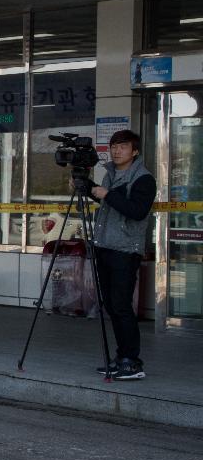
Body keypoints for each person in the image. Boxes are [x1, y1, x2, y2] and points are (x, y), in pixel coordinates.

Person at [87, 129, 157, 381]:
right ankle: (121, 357)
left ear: (135, 151)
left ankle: (132, 361)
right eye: (114, 146)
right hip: (104, 246)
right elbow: (108, 204)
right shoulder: (111, 174)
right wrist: (89, 188)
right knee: (111, 306)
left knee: (121, 305)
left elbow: (137, 211)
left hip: (125, 251)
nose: (116, 151)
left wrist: (108, 194)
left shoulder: (143, 179)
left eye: (123, 147)